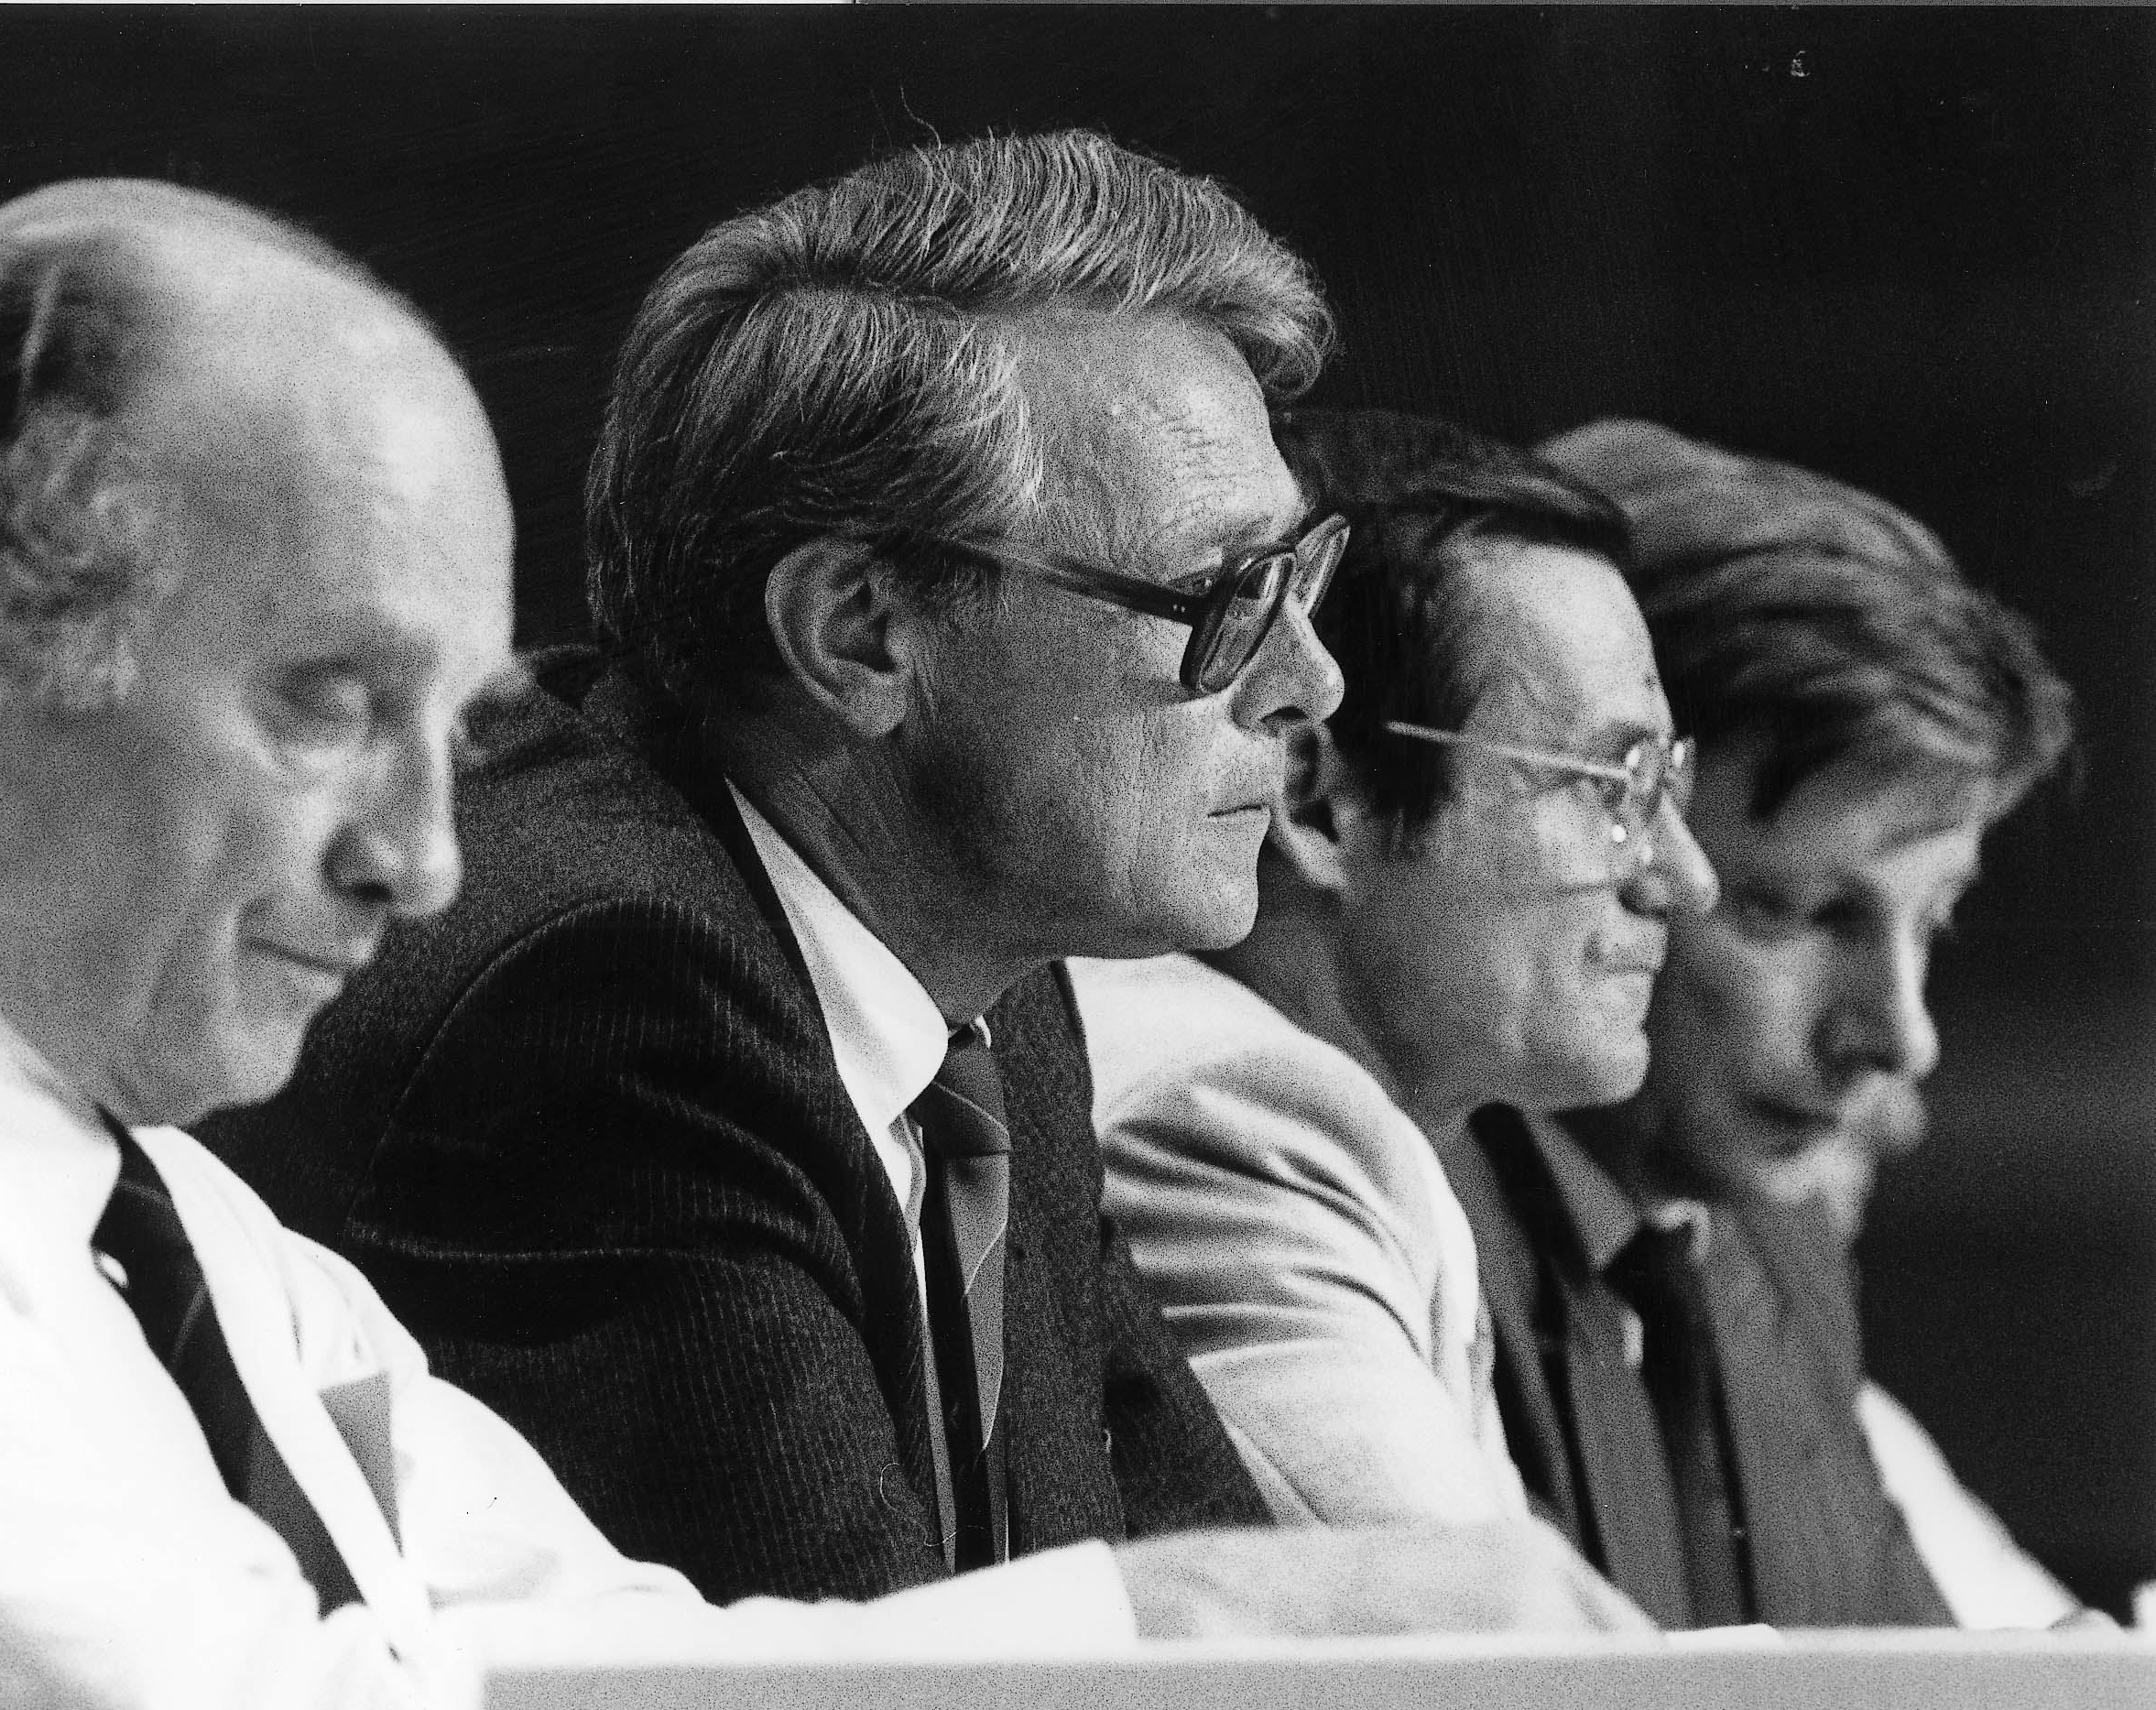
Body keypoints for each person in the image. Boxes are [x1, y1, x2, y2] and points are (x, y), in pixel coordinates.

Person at [0, 180, 1648, 1710]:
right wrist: (1173, 1632)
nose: (421, 859)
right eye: (324, 706)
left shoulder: (165, 1211)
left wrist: (1223, 1640)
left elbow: (619, 1671)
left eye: (444, 722)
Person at [203, 133, 1617, 1616]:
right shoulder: (596, 1004)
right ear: (864, 633)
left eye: (1296, 581)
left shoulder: (994, 998)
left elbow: (1217, 1625)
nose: (1308, 683)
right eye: (1222, 599)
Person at [1439, 416, 2078, 1628]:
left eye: (1929, 921)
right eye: (1793, 908)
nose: (1899, 1039)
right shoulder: (1393, 1208)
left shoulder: (1770, 1252)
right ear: (1605, 829)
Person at [1073, 409, 1716, 1536]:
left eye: (1666, 779)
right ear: (1324, 803)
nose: (1683, 877)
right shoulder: (1232, 1118)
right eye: (1608, 785)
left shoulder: (1383, 1144)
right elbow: (1482, 1673)